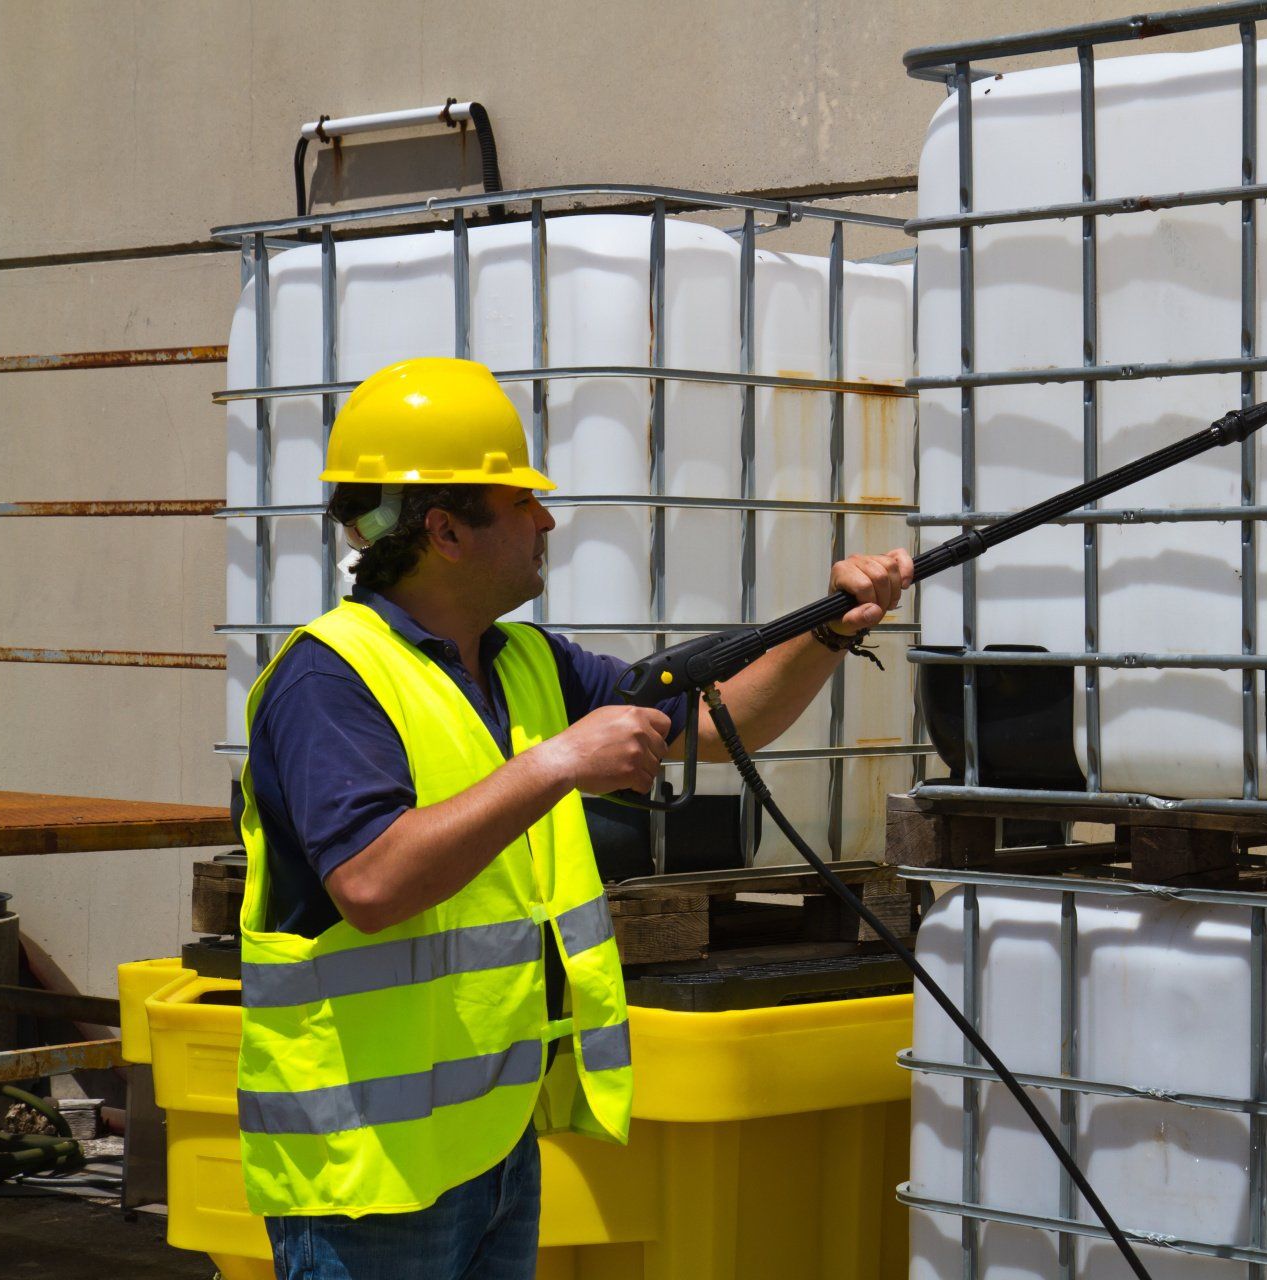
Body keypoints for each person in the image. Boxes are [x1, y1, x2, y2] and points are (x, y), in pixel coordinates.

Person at [234, 357, 912, 1280]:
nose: (546, 520)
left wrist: (832, 628)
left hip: (487, 1144)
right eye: (520, 503)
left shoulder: (520, 662)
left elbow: (720, 727)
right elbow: (372, 883)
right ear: (445, 530)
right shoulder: (330, 680)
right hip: (367, 1174)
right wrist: (557, 764)